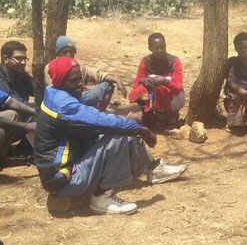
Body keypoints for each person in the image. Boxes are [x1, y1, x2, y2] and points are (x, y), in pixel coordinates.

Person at [34, 56, 187, 215]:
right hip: (64, 179)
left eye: (81, 78)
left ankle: (151, 168)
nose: (80, 83)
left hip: (67, 169)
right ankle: (101, 197)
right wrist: (141, 129)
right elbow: (102, 120)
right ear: (60, 81)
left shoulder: (57, 92)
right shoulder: (64, 104)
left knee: (124, 128)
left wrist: (108, 83)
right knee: (119, 135)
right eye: (74, 80)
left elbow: (86, 100)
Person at [45, 35, 128, 111]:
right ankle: (95, 115)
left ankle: (100, 111)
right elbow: (55, 93)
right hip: (66, 103)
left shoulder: (76, 66)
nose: (68, 54)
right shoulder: (51, 68)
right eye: (64, 52)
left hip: (79, 98)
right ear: (58, 53)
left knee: (108, 84)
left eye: (71, 51)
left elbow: (95, 73)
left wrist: (117, 80)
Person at [129, 32, 185, 130]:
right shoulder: (145, 61)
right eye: (156, 48)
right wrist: (143, 80)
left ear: (166, 46)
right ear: (150, 48)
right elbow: (136, 83)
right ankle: (148, 115)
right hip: (154, 96)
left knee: (161, 88)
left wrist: (164, 81)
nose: (160, 51)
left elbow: (177, 88)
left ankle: (169, 115)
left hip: (173, 97)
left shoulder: (174, 61)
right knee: (140, 89)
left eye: (162, 47)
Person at [0, 41, 35, 108]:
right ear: (5, 59)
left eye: (24, 59)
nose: (23, 63)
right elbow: (14, 102)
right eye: (18, 59)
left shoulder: (20, 73)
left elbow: (38, 90)